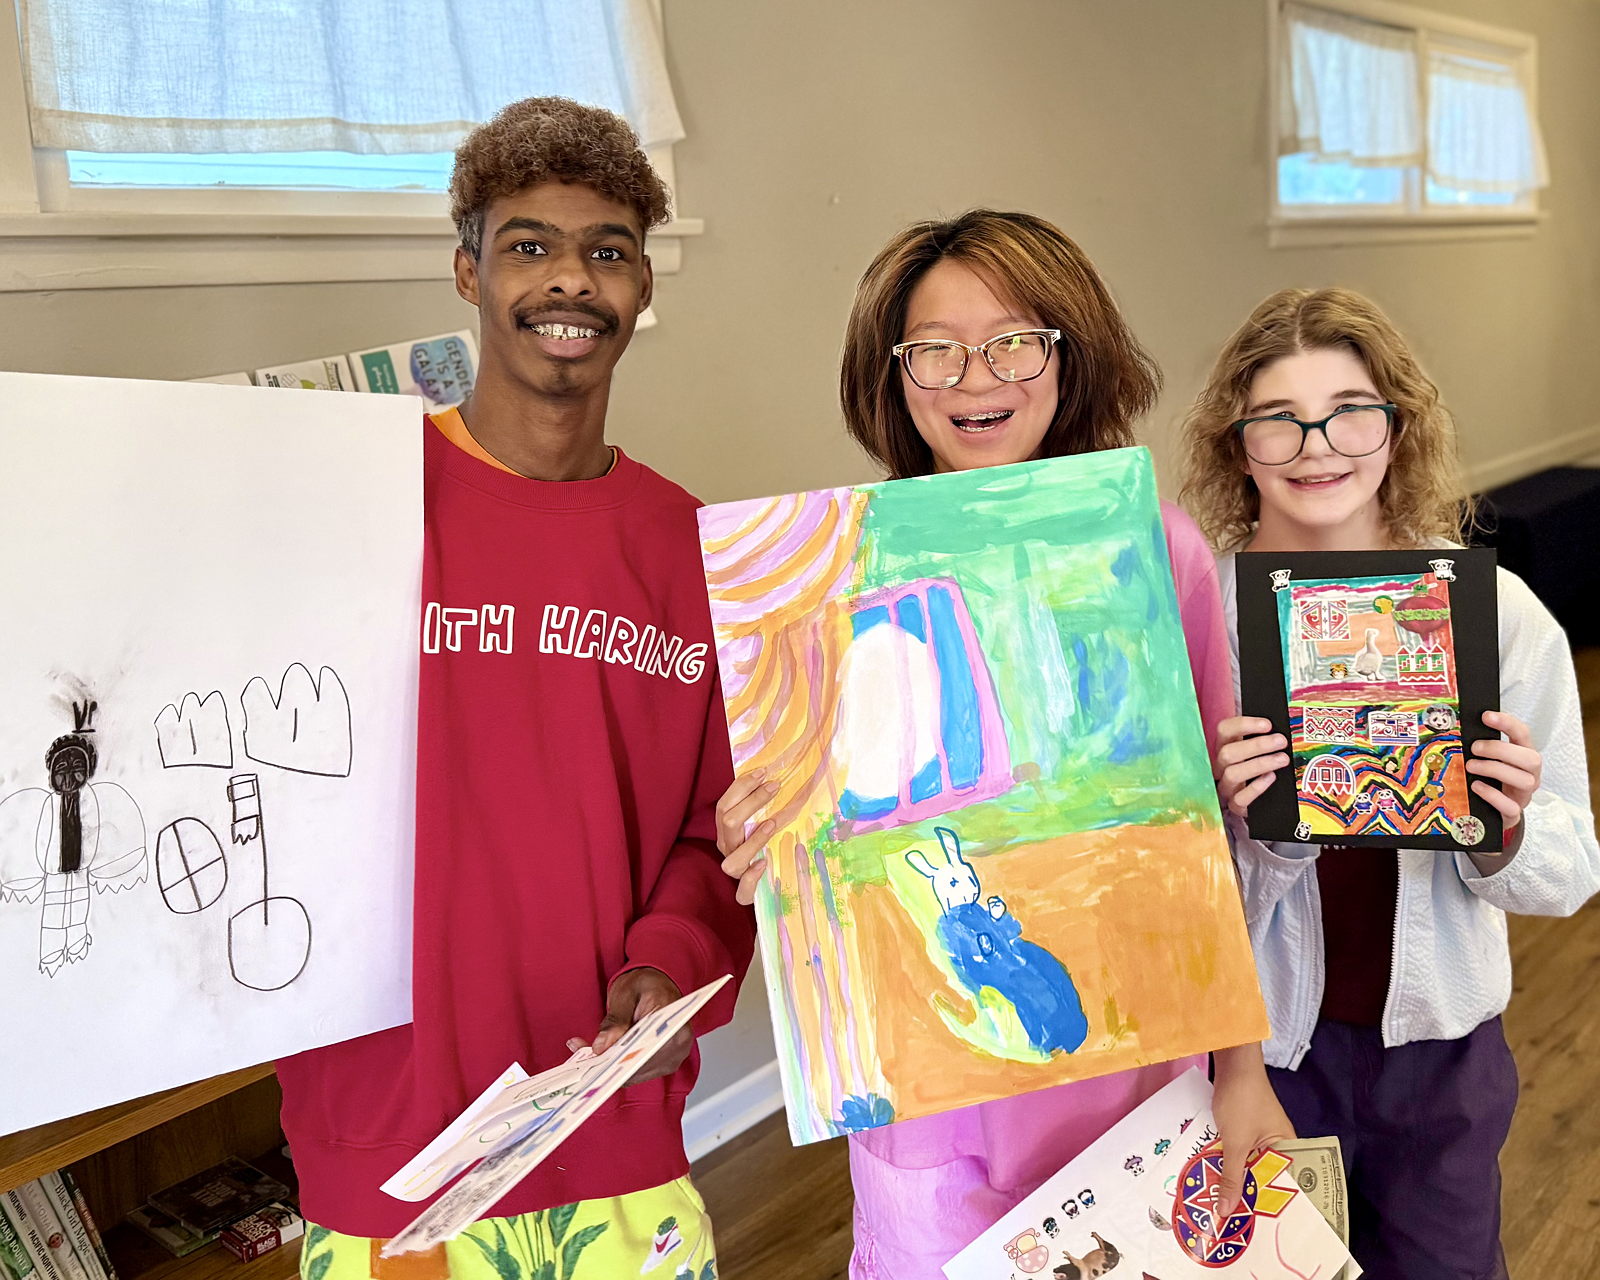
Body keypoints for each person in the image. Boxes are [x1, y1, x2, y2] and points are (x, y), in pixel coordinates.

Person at [715, 210, 1290, 1278]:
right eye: (934, 347)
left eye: (1015, 338)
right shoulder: (831, 569)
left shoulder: (1153, 546)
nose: (975, 374)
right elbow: (814, 818)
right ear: (893, 375)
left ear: (1069, 356)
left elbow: (1207, 834)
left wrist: (1240, 1068)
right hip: (932, 1084)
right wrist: (767, 834)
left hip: (1138, 1059)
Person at [275, 97, 755, 1280]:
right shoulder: (347, 506)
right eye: (528, 245)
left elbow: (719, 822)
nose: (569, 282)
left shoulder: (692, 546)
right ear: (466, 270)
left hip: (610, 1129)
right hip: (388, 1133)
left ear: (642, 282)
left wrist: (672, 951)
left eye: (606, 249)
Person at [1180, 286, 1600, 1279]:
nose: (1315, 444)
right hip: (1266, 1049)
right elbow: (1172, 910)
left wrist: (1498, 832)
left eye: (1348, 411)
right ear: (1236, 444)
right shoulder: (1206, 632)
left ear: (1396, 427)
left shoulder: (1494, 616)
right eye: (1276, 420)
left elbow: (1570, 867)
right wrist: (1267, 832)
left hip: (1440, 1050)